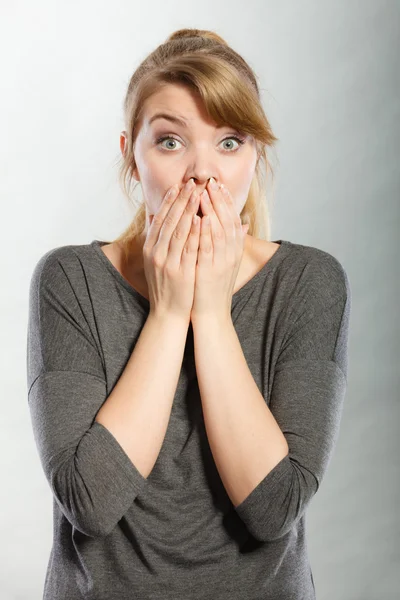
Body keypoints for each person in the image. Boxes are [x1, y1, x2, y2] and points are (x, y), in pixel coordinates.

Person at [26, 28, 351, 600]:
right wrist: (170, 314)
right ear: (131, 156)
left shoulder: (310, 282)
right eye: (171, 142)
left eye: (229, 142)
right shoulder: (69, 280)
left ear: (256, 156)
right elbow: (91, 502)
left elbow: (274, 507)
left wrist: (212, 312)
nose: (203, 174)